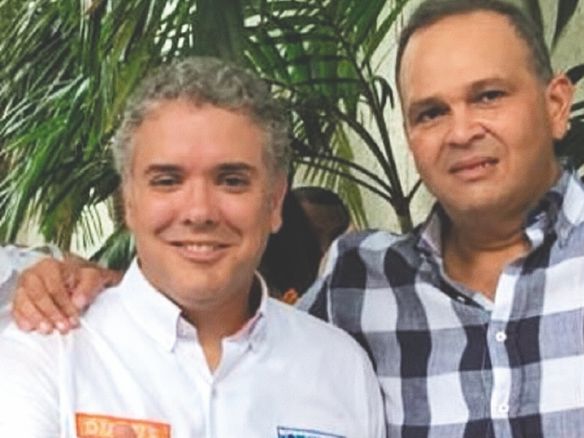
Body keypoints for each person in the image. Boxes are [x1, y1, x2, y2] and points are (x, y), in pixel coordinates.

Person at [9, 1, 584, 437]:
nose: (461, 131)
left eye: (487, 96)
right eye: (431, 112)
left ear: (555, 104)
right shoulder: (360, 284)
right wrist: (84, 281)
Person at [0, 57, 384, 437]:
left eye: (231, 181)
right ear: (128, 201)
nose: (199, 212)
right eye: (167, 181)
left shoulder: (341, 368)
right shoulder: (47, 353)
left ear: (275, 202)